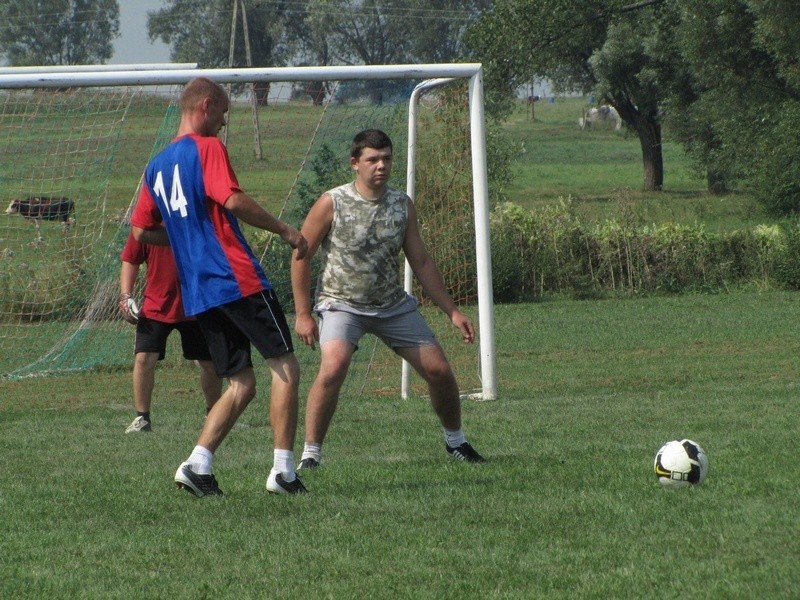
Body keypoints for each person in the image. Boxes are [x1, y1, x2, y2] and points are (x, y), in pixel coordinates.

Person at [130, 77, 309, 497]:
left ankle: (197, 463)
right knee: (285, 366)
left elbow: (141, 231)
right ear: (206, 106)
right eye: (224, 112)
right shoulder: (207, 147)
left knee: (241, 382)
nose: (224, 122)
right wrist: (285, 229)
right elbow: (231, 199)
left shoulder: (156, 165)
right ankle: (283, 471)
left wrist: (185, 235)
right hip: (236, 278)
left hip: (199, 291)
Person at [291, 128, 484, 470]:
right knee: (333, 367)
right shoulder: (331, 202)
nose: (381, 166)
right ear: (355, 163)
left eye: (387, 159)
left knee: (439, 370)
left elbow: (420, 260)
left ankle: (456, 442)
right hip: (341, 304)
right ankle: (311, 455)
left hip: (392, 305)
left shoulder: (401, 203)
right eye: (372, 159)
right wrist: (303, 313)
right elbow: (301, 255)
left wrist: (452, 311)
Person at [119, 232, 222, 434]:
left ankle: (215, 415)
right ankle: (142, 418)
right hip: (156, 305)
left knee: (210, 363)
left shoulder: (194, 219)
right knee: (143, 359)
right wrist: (125, 295)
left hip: (197, 304)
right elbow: (130, 259)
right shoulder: (145, 226)